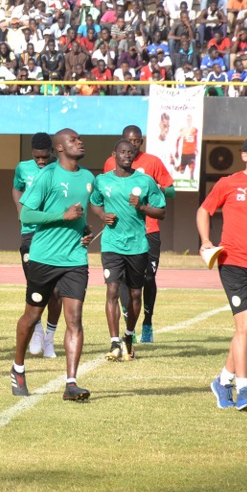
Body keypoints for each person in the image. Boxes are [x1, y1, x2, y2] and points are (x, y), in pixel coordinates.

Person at [10, 128, 95, 401]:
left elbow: (79, 217)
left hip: (75, 260)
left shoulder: (88, 178)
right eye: (73, 140)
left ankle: (71, 383)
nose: (79, 142)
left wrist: (86, 230)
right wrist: (62, 216)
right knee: (32, 316)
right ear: (59, 148)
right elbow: (28, 214)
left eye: (79, 138)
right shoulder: (47, 175)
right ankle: (18, 367)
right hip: (44, 258)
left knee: (75, 320)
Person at [200, 135, 247, 411]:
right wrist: (206, 242)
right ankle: (243, 389)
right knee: (244, 327)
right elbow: (204, 210)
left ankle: (223, 381)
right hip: (233, 263)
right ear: (245, 155)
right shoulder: (229, 183)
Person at [90, 139, 166, 362]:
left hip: (138, 246)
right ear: (114, 154)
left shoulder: (145, 182)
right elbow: (94, 203)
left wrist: (141, 207)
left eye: (130, 152)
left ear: (135, 155)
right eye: (122, 152)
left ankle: (129, 336)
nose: (126, 155)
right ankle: (114, 342)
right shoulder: (102, 181)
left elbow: (161, 212)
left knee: (135, 294)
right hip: (112, 245)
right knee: (112, 291)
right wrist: (102, 216)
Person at [102, 124, 175, 342]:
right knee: (121, 281)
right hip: (119, 232)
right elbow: (105, 192)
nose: (133, 145)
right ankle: (128, 326)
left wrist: (155, 189)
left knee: (148, 278)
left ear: (141, 143)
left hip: (148, 231)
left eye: (137, 142)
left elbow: (171, 191)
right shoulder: (110, 163)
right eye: (128, 141)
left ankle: (148, 322)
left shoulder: (152, 162)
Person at [12, 132, 60, 358]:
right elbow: (17, 188)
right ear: (32, 153)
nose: (41, 161)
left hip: (54, 235)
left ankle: (49, 339)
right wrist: (21, 211)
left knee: (57, 292)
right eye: (37, 157)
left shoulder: (60, 169)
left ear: (52, 152)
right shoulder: (23, 168)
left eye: (45, 157)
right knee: (35, 285)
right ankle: (37, 332)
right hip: (30, 235)